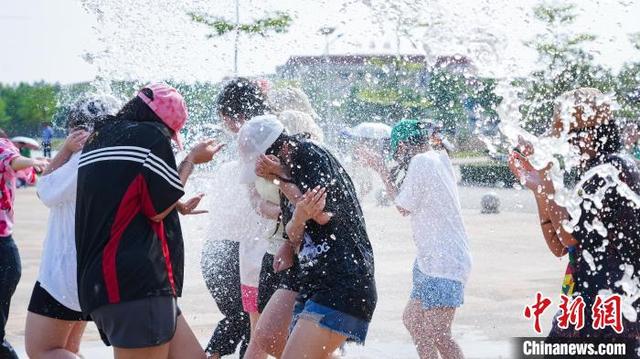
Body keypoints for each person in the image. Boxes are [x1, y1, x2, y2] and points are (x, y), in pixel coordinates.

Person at [75, 83, 221, 359]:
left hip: (103, 282)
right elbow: (156, 209)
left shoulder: (100, 137)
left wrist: (175, 203)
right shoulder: (151, 137)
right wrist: (190, 160)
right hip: (138, 285)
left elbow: (121, 193)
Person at [240, 115, 377, 359]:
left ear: (279, 148)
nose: (257, 170)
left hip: (342, 277)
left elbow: (322, 213)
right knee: (269, 335)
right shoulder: (285, 171)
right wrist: (287, 243)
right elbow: (295, 226)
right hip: (309, 274)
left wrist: (279, 176)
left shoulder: (309, 154)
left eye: (261, 162)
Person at [507, 87, 640, 339]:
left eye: (571, 136)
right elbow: (560, 246)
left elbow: (570, 237)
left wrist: (547, 178)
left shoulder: (612, 171)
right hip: (589, 304)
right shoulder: (599, 170)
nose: (569, 145)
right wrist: (539, 189)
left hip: (610, 310)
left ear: (592, 134)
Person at [360, 119, 471, 359]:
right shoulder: (438, 157)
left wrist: (380, 169)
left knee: (439, 333)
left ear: (403, 146)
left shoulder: (422, 161)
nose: (397, 156)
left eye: (397, 150)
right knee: (413, 320)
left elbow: (402, 206)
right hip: (430, 259)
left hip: (444, 261)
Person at [25, 98, 116, 359]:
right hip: (91, 273)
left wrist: (65, 150)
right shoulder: (111, 158)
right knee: (68, 350)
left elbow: (44, 191)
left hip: (63, 276)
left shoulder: (81, 161)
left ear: (78, 130)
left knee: (42, 350)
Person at [243, 110, 324, 359]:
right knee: (262, 335)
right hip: (273, 250)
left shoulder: (302, 162)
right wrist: (284, 213)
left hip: (301, 255)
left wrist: (291, 212)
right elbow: (255, 200)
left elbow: (313, 211)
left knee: (293, 340)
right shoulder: (257, 162)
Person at [202, 77, 271, 359]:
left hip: (226, 252)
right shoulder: (257, 154)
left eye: (224, 119)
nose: (225, 127)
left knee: (246, 322)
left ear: (236, 118)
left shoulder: (243, 158)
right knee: (248, 321)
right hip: (236, 253)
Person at [0, 128, 48, 358]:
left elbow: (17, 164)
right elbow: (18, 164)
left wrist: (30, 159)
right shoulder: (5, 147)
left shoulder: (4, 147)